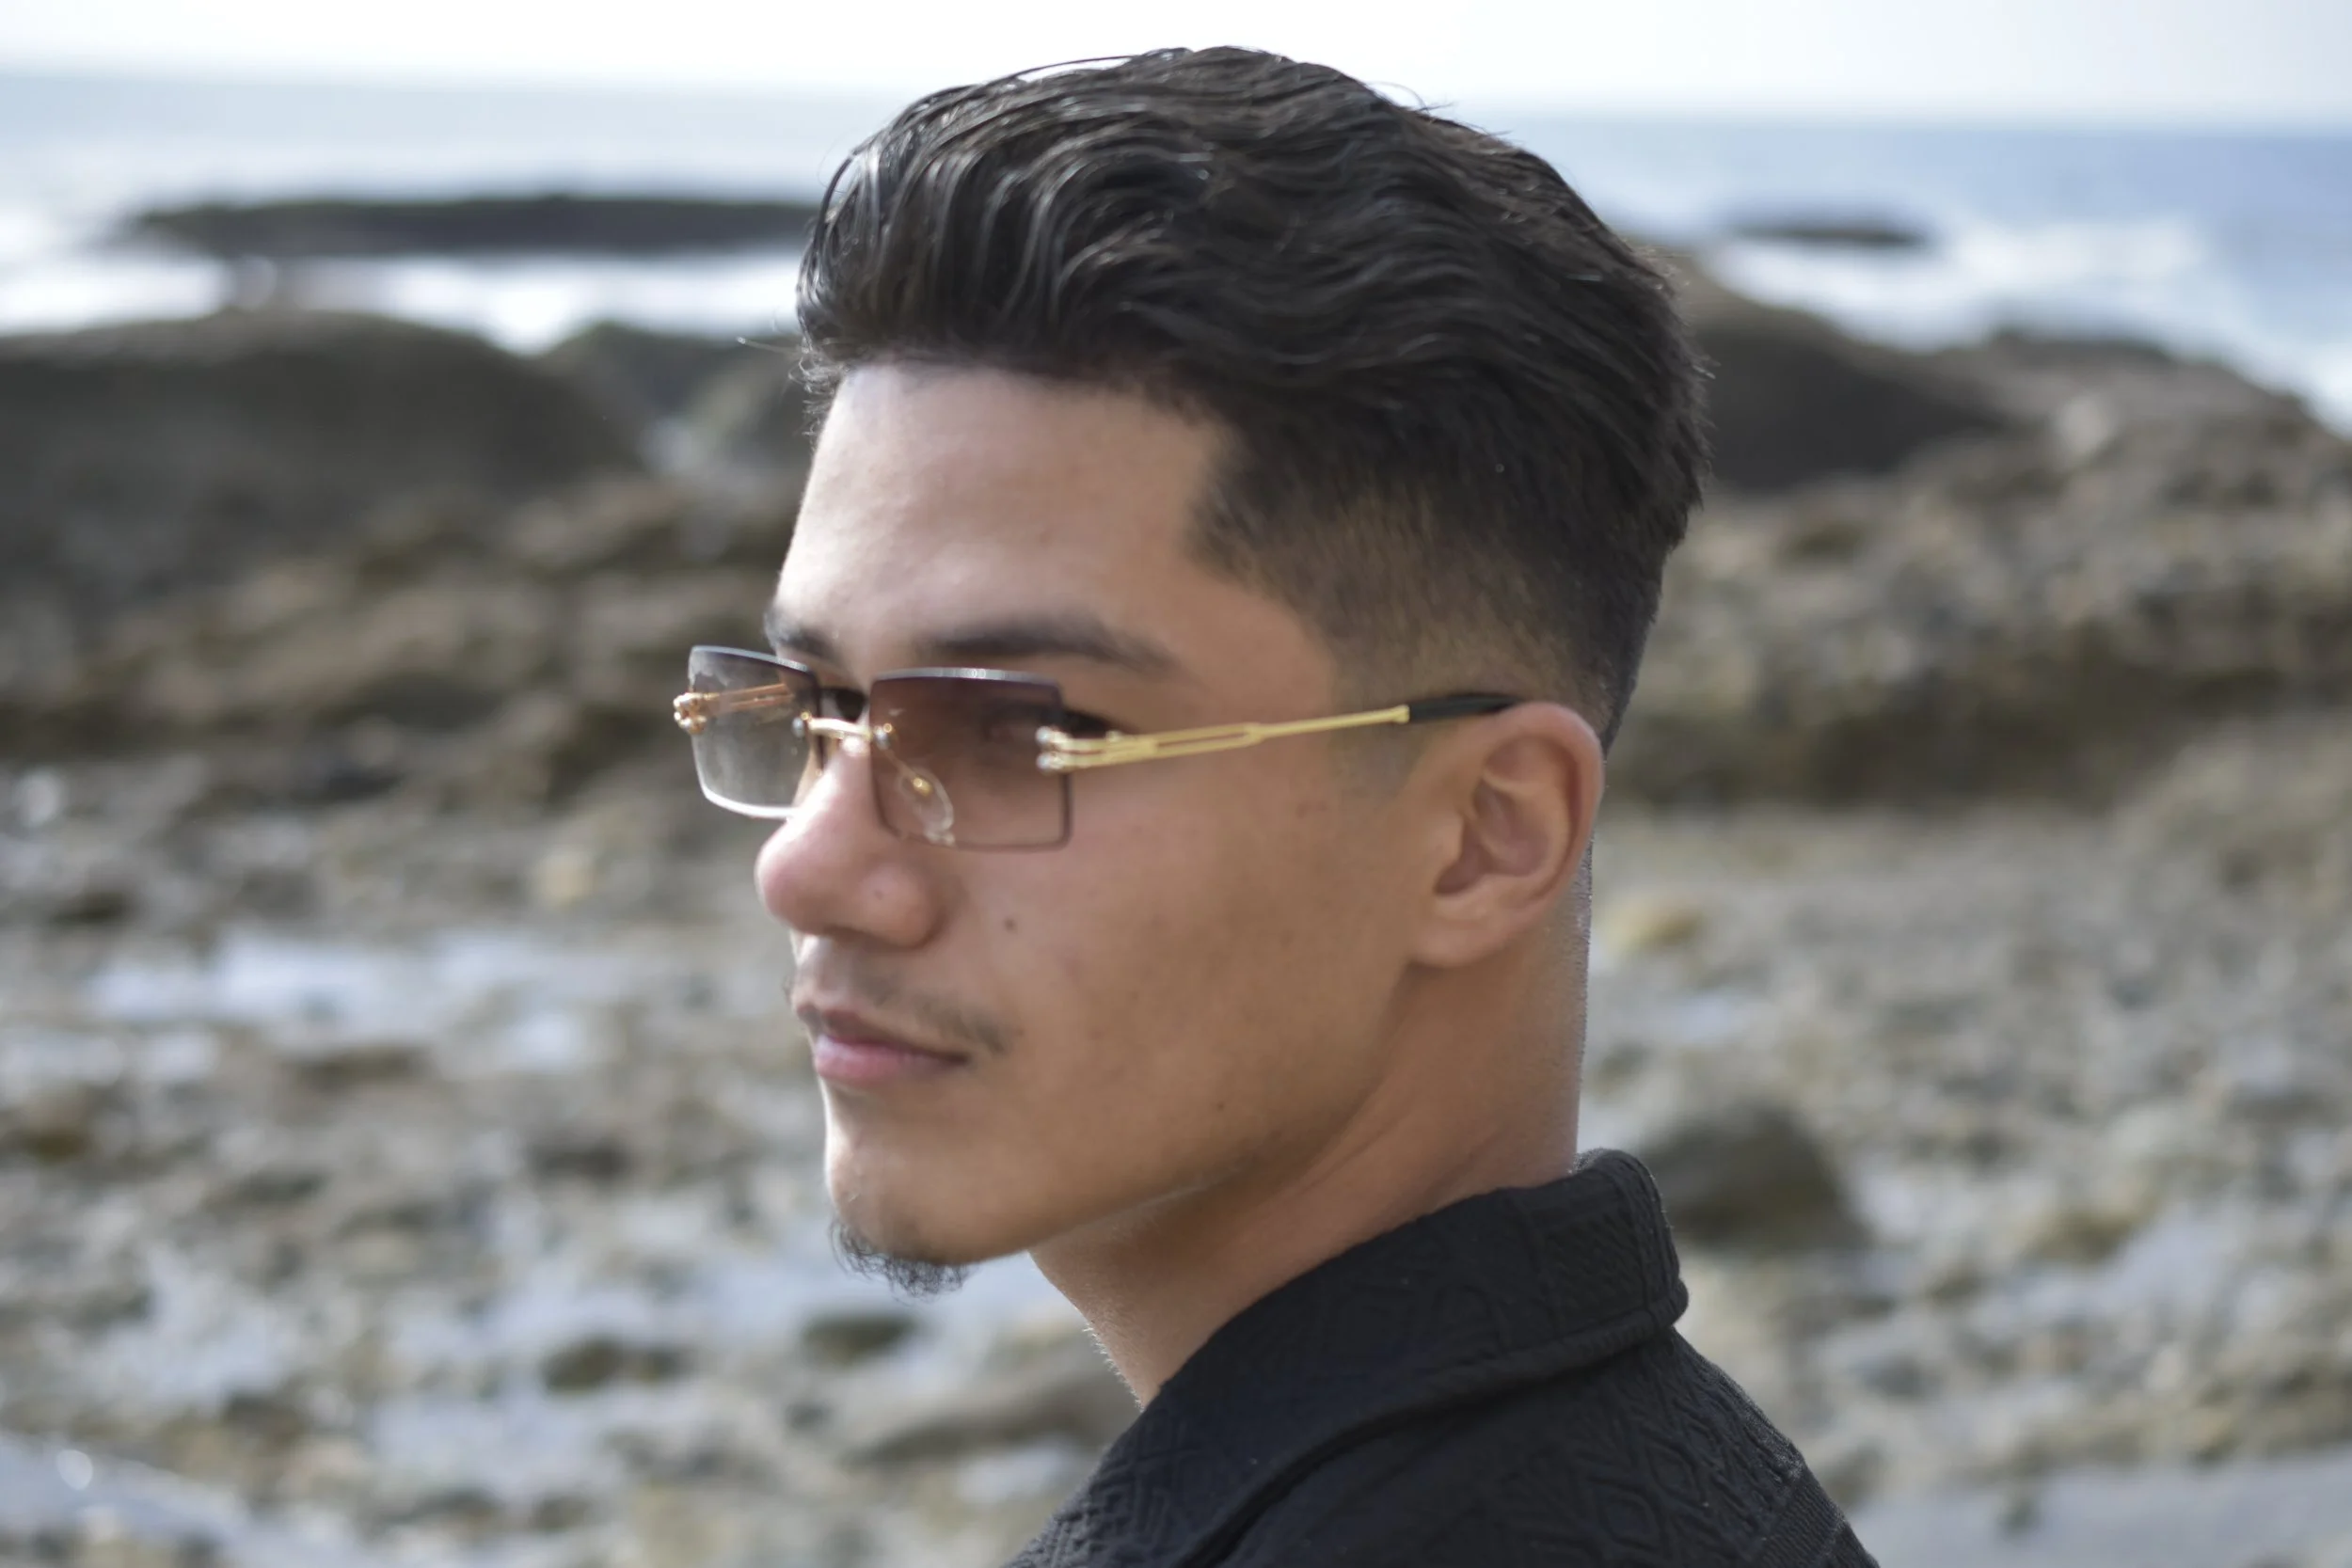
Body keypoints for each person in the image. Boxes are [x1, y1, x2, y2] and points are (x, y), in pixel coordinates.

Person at [671, 45, 1875, 1567]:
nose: (811, 864)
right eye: (822, 708)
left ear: (1486, 835)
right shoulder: (1644, 1476)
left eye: (1013, 732)